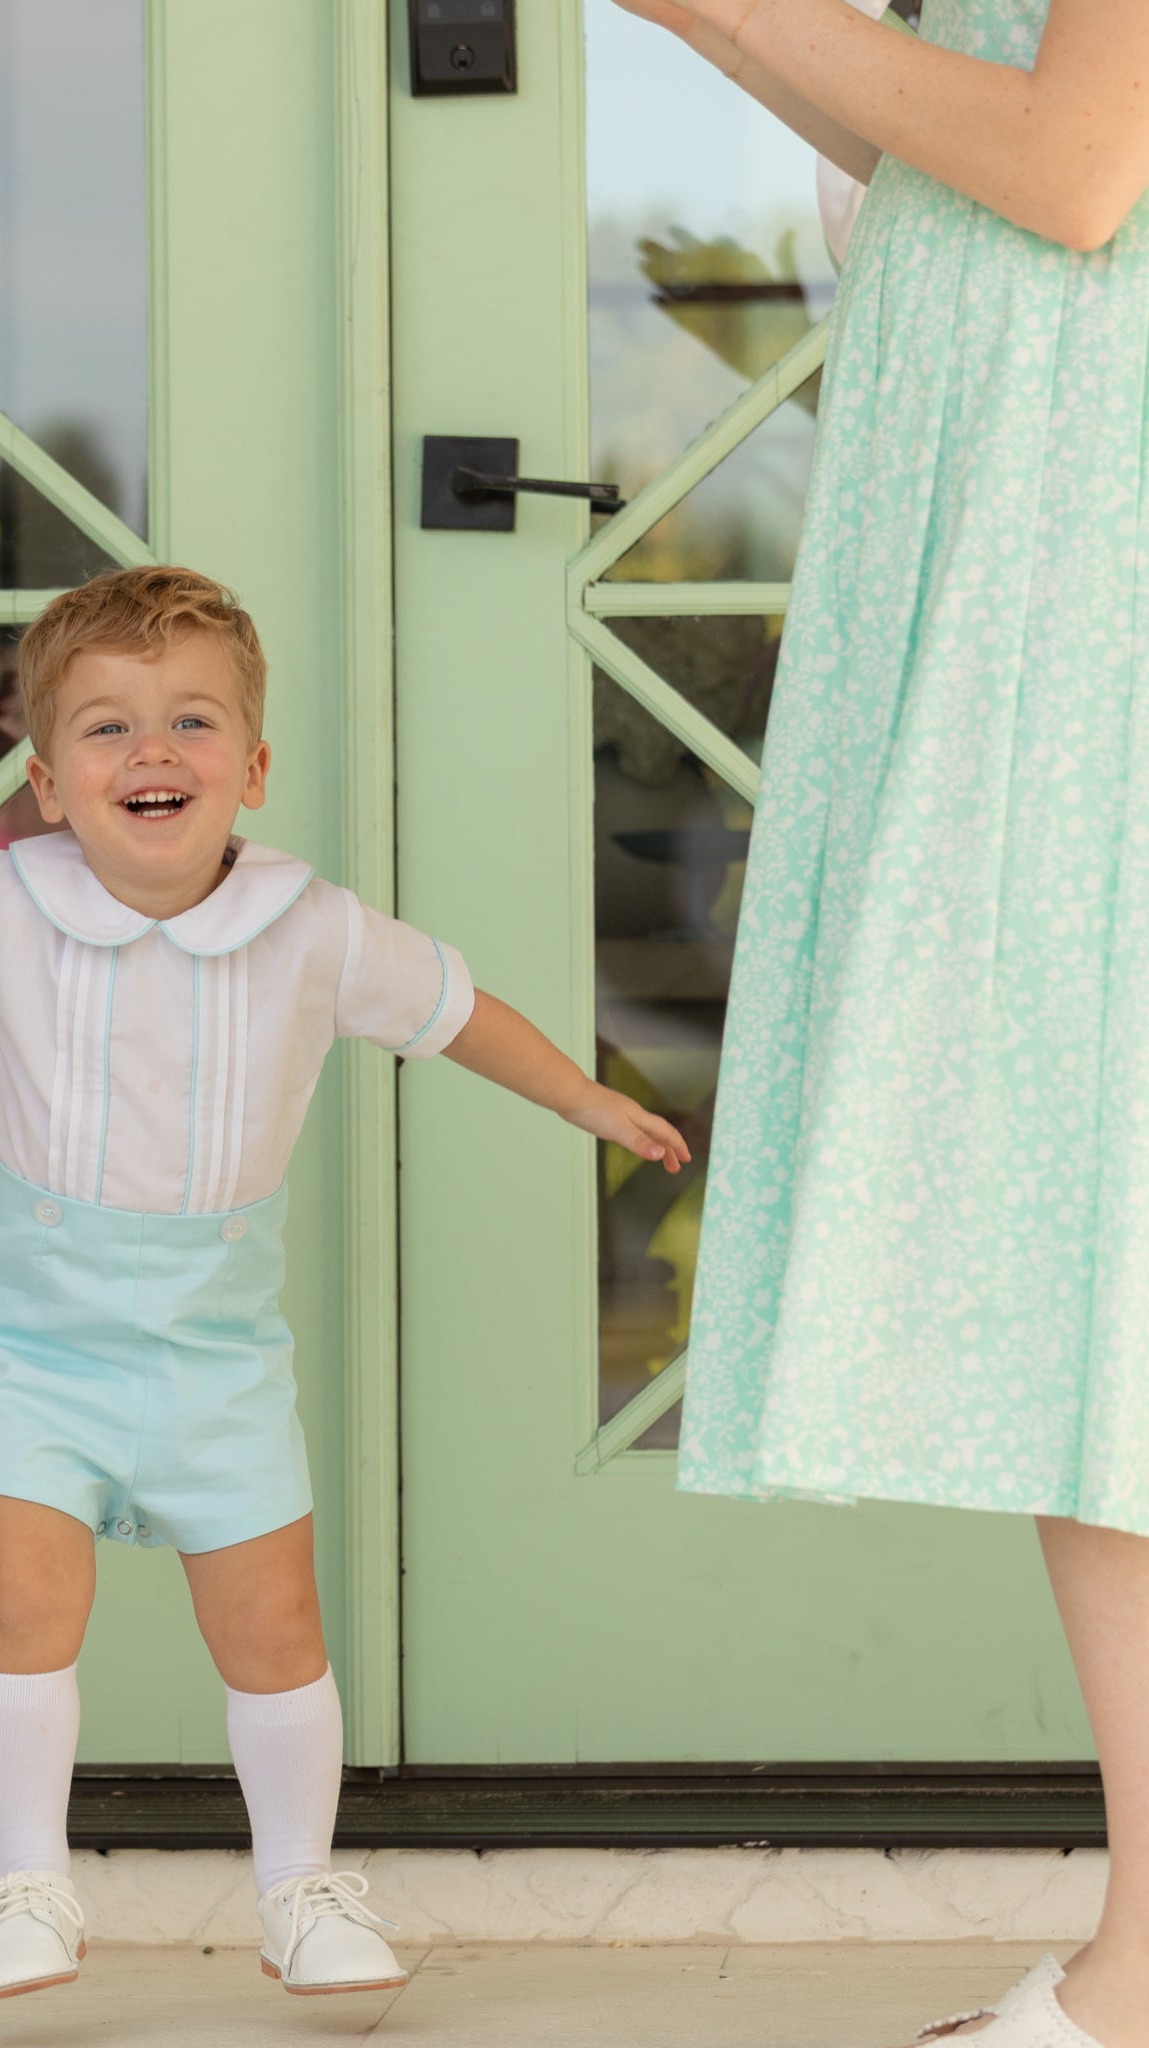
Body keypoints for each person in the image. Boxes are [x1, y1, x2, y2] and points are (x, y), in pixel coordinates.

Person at [0, 565, 691, 2006]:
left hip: (213, 1354)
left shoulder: (314, 926)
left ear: (253, 765)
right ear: (47, 782)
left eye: (192, 720)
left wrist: (585, 1098)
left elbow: (457, 1014)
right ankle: (29, 1888)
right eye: (108, 727)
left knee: (275, 1630)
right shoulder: (0, 901)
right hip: (30, 1347)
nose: (153, 751)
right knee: (21, 1612)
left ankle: (301, 1890)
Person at [605, 2, 1149, 2044]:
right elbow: (961, 131)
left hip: (1083, 545)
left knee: (1105, 1244)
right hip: (1036, 511)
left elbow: (1077, 172)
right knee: (1092, 1263)